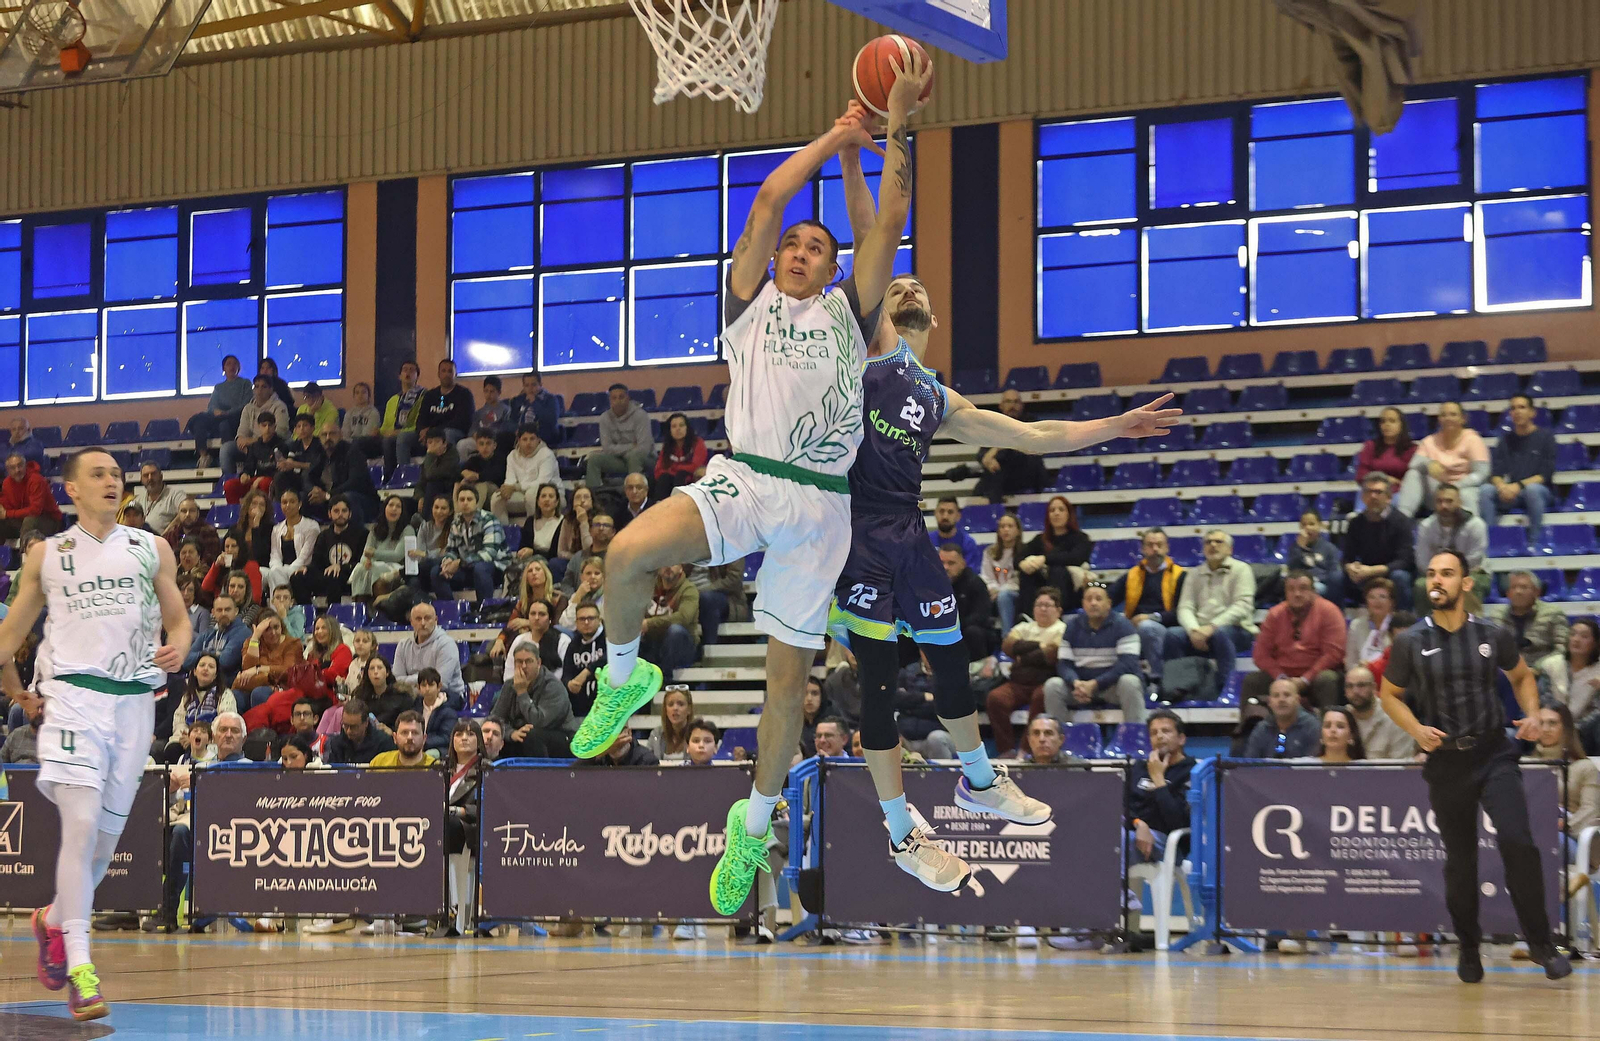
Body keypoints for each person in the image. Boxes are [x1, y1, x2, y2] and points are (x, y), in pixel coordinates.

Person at [569, 84, 926, 919]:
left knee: (785, 692)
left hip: (819, 508)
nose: (798, 251)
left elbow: (889, 219)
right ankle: (624, 677)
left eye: (816, 246)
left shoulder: (849, 313)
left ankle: (752, 825)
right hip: (746, 477)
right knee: (625, 554)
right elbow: (767, 198)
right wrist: (837, 136)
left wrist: (894, 125)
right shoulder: (747, 305)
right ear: (772, 261)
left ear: (835, 270)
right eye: (791, 245)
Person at [0, 446, 191, 1021]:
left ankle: (54, 919)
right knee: (80, 828)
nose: (111, 481)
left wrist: (180, 646)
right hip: (72, 700)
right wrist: (17, 691)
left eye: (116, 474)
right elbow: (8, 639)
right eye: (98, 474)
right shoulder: (47, 555)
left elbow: (178, 620)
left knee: (103, 849)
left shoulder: (151, 548)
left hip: (133, 704)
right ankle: (83, 970)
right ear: (72, 490)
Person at [1379, 549, 1571, 982]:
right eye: (1432, 573)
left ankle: (1541, 943)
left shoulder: (1491, 633)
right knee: (1461, 860)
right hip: (1446, 761)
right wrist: (1416, 729)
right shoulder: (1411, 641)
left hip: (1493, 752)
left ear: (1465, 583)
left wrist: (1533, 714)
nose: (1437, 580)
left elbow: (1522, 676)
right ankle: (1468, 946)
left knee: (1519, 843)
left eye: (1447, 573)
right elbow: (1389, 695)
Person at [1163, 531, 1255, 687]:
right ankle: (1178, 688)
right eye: (1208, 542)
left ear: (1230, 549)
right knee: (1173, 635)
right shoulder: (1194, 573)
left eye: (1219, 542)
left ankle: (1226, 687)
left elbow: (1243, 606)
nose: (1213, 545)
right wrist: (1193, 630)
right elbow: (1185, 607)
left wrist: (1212, 627)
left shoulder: (1242, 570)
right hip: (1200, 631)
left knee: (1221, 634)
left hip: (1236, 630)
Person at [1044, 581, 1146, 722]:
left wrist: (1095, 684)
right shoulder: (1072, 626)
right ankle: (1059, 733)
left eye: (1098, 599)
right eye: (1089, 599)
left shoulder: (1124, 626)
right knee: (1052, 685)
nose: (1093, 603)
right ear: (1083, 604)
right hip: (1080, 689)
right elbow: (1064, 664)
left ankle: (1135, 733)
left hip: (1112, 687)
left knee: (1130, 682)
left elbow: (1127, 665)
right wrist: (1076, 683)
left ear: (1108, 603)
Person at [983, 588, 1068, 756]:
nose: (1042, 609)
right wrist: (1040, 646)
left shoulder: (1063, 629)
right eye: (1039, 605)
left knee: (1041, 697)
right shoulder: (1023, 626)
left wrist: (1022, 654)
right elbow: (1008, 646)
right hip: (1018, 682)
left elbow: (1052, 654)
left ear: (1058, 610)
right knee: (995, 698)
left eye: (1047, 605)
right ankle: (1006, 751)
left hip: (1044, 680)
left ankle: (1026, 750)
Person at [1243, 570, 1346, 709]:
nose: (1297, 594)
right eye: (1291, 589)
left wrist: (1306, 679)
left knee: (1327, 679)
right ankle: (1250, 723)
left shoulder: (1329, 611)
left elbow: (1334, 653)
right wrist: (1281, 678)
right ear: (1285, 593)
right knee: (1252, 681)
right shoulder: (1275, 614)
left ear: (1313, 591)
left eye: (1303, 588)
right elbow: (1260, 655)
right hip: (1282, 675)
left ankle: (1330, 721)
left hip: (1317, 675)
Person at [1528, 701, 1599, 875]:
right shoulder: (1526, 764)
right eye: (1541, 723)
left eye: (1552, 723)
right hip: (1533, 828)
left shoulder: (1585, 768)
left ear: (1566, 728)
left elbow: (1591, 809)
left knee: (1545, 837)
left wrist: (1564, 824)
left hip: (1570, 836)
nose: (1545, 729)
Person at [1110, 528, 1185, 687]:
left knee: (1147, 627)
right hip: (1133, 626)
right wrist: (1094, 587)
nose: (1155, 549)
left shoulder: (1180, 575)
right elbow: (1108, 598)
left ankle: (1158, 679)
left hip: (1165, 626)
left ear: (1167, 548)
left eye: (1159, 545)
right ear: (1143, 549)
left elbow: (1181, 612)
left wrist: (1151, 617)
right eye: (1150, 545)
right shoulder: (1132, 575)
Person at [1125, 710, 1194, 867]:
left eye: (1166, 731)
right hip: (1135, 832)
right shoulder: (1139, 767)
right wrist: (1138, 823)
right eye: (1154, 733)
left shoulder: (1191, 772)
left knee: (1121, 841)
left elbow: (1178, 822)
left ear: (1181, 739)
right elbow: (1123, 805)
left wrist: (1158, 779)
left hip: (1171, 844)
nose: (1159, 736)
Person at [1481, 393, 1557, 537]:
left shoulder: (1546, 437)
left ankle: (1534, 542)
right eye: (1513, 408)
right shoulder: (1505, 440)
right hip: (1512, 492)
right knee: (1485, 491)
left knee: (1532, 490)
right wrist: (1502, 487)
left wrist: (1518, 486)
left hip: (1540, 491)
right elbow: (1495, 473)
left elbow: (1545, 474)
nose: (1517, 411)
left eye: (1522, 407)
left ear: (1532, 412)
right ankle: (1490, 540)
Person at [1398, 401, 1490, 517]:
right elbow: (1413, 464)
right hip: (1436, 489)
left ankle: (1469, 525)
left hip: (1463, 487)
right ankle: (1403, 517)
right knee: (1413, 473)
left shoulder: (1473, 440)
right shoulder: (1429, 441)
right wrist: (1428, 463)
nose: (1448, 418)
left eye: (1453, 414)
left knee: (1466, 495)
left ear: (1463, 419)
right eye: (1443, 415)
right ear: (1439, 419)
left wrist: (1455, 487)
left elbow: (1481, 473)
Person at [1342, 472, 1414, 610]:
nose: (1373, 496)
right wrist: (1350, 567)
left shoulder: (1401, 521)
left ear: (1389, 497)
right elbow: (1347, 556)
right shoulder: (1356, 523)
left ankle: (1403, 617)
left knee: (1400, 577)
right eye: (1369, 492)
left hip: (1391, 571)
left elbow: (1405, 560)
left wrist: (1373, 570)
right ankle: (1339, 616)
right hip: (1365, 572)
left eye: (1378, 492)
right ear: (1362, 497)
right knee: (1337, 577)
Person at [489, 643, 576, 757]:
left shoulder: (553, 686)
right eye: (519, 661)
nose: (524, 666)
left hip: (562, 737)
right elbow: (495, 720)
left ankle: (538, 769)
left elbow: (540, 722)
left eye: (529, 661)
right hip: (525, 735)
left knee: (531, 735)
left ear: (538, 663)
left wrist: (522, 693)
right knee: (492, 737)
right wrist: (511, 733)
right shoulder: (510, 685)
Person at [1412, 483, 1489, 611]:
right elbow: (1422, 561)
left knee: (1467, 584)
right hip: (1436, 575)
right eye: (1439, 501)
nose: (1444, 506)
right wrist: (1442, 575)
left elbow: (1475, 559)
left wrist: (1450, 576)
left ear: (1459, 502)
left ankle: (1469, 622)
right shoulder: (1426, 526)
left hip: (1472, 573)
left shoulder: (1476, 525)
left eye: (1449, 501)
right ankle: (1428, 623)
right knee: (1421, 586)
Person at [1486, 571, 1569, 681]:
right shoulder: (1497, 615)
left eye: (1524, 587)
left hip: (1543, 671)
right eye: (1514, 587)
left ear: (1537, 592)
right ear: (1508, 593)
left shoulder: (1553, 613)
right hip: (1507, 671)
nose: (1518, 591)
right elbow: (1491, 646)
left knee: (1557, 662)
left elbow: (1562, 648)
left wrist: (1538, 668)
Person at [432, 485, 510, 602]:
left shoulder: (489, 519)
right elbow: (451, 550)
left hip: (496, 568)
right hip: (468, 567)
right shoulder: (456, 522)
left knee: (480, 568)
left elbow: (489, 553)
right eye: (462, 499)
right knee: (437, 572)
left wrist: (459, 563)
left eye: (469, 499)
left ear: (476, 502)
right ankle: (451, 609)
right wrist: (448, 561)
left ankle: (485, 609)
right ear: (457, 503)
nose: (465, 503)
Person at [971, 389, 1050, 503]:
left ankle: (995, 508)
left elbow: (1024, 445)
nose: (1012, 406)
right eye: (1008, 401)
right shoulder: (993, 425)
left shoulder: (1030, 422)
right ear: (1001, 405)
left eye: (1016, 402)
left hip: (1026, 472)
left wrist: (995, 451)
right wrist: (987, 460)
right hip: (1002, 474)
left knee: (1004, 463)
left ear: (1022, 405)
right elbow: (981, 454)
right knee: (982, 487)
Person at [1018, 495, 1093, 612]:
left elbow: (1075, 558)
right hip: (1042, 588)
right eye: (1052, 510)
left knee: (1057, 570)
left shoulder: (1081, 538)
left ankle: (1055, 612)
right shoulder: (1040, 539)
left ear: (1069, 514)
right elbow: (1019, 556)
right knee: (1028, 571)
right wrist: (1022, 563)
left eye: (1061, 510)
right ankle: (1029, 615)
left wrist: (1044, 559)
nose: (1056, 513)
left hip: (1071, 589)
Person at [292, 496, 367, 604]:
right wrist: (306, 568)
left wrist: (341, 567)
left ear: (350, 514)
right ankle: (307, 611)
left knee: (334, 575)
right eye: (336, 511)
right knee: (297, 577)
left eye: (344, 511)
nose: (340, 514)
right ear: (329, 514)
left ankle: (333, 612)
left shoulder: (362, 534)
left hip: (350, 576)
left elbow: (363, 563)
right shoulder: (324, 536)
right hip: (327, 576)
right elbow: (317, 563)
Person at [163, 654, 235, 763]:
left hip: (212, 742)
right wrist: (190, 737)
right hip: (188, 738)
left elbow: (224, 723)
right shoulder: (187, 696)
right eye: (202, 665)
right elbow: (179, 721)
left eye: (211, 666)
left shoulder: (225, 694)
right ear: (195, 672)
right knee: (172, 749)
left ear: (216, 674)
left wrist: (201, 738)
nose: (206, 669)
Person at [392, 602, 466, 706]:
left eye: (427, 618)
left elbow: (441, 683)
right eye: (418, 619)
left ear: (435, 620)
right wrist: (424, 680)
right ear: (411, 622)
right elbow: (397, 681)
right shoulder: (403, 645)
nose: (423, 623)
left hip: (447, 695)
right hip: (412, 695)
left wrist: (410, 682)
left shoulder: (446, 644)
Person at [307, 420, 378, 525]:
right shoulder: (318, 453)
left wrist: (328, 495)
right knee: (303, 498)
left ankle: (355, 532)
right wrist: (314, 490)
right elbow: (307, 477)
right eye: (324, 434)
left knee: (346, 498)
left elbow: (355, 482)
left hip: (362, 501)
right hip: (330, 499)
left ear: (341, 435)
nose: (328, 438)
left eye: (332, 433)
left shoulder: (353, 451)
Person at [189, 354, 252, 469]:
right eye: (229, 364)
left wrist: (228, 413)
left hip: (236, 417)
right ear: (224, 368)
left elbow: (246, 404)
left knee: (224, 425)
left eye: (235, 364)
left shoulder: (245, 383)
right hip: (219, 417)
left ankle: (231, 457)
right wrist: (216, 411)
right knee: (199, 420)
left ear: (239, 367)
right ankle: (204, 456)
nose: (232, 366)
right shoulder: (218, 387)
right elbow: (211, 406)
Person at [221, 375, 290, 478]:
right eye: (256, 386)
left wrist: (254, 443)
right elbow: (242, 433)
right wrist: (243, 443)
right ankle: (230, 480)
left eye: (263, 387)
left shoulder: (280, 406)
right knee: (226, 449)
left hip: (273, 445)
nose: (259, 390)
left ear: (271, 389)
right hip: (251, 446)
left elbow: (280, 432)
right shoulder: (248, 408)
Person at [586, 383, 654, 488]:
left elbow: (644, 447)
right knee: (594, 459)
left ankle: (634, 493)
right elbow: (607, 448)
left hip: (646, 459)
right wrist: (631, 446)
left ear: (628, 398)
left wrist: (626, 452)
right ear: (610, 400)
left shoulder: (640, 415)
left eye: (621, 397)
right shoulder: (604, 418)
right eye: (614, 398)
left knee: (634, 456)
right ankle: (593, 494)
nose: (618, 401)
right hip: (619, 459)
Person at [1343, 665, 1416, 759]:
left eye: (1361, 685)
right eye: (1349, 686)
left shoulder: (1396, 717)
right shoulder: (1341, 718)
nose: (1355, 691)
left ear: (1374, 687)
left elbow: (1403, 763)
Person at [938, 544, 995, 662]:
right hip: (941, 630)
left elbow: (981, 615)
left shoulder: (975, 583)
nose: (945, 567)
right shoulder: (931, 584)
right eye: (941, 563)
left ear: (963, 564)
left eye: (951, 563)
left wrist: (953, 627)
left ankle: (977, 669)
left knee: (973, 632)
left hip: (968, 629)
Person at [640, 564, 699, 678]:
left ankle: (665, 678)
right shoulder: (648, 588)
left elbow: (683, 618)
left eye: (673, 562)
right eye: (664, 562)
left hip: (682, 646)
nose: (668, 567)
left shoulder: (689, 589)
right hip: (653, 643)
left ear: (681, 567)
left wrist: (649, 624)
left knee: (675, 630)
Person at [350, 496, 414, 600]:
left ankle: (381, 606)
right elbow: (365, 554)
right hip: (375, 565)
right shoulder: (375, 529)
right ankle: (360, 606)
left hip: (397, 569)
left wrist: (374, 554)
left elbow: (397, 556)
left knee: (374, 571)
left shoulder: (408, 530)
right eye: (391, 505)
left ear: (402, 511)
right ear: (384, 508)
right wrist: (366, 561)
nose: (394, 509)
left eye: (398, 506)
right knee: (361, 569)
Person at [234, 613, 302, 710]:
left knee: (259, 693)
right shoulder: (251, 642)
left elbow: (288, 671)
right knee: (235, 695)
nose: (273, 632)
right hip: (256, 685)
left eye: (276, 627)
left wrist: (259, 669)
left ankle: (260, 720)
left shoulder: (293, 643)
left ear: (282, 627)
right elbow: (247, 669)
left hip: (282, 687)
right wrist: (255, 637)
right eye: (267, 629)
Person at [1241, 678, 1321, 758]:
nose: (1281, 700)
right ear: (1269, 702)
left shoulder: (1312, 727)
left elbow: (1313, 763)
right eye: (1276, 696)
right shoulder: (1261, 728)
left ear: (1297, 700)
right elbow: (1250, 762)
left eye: (1287, 695)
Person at [262, 487, 319, 594]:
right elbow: (275, 555)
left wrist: (282, 572)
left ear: (299, 504)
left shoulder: (311, 526)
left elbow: (304, 557)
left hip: (301, 569)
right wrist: (276, 569)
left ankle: (279, 603)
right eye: (284, 502)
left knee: (276, 575)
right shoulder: (277, 529)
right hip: (280, 570)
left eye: (292, 502)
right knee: (259, 572)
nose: (288, 505)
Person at [498, 425, 559, 525]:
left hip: (549, 493)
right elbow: (510, 480)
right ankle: (502, 530)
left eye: (532, 439)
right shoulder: (512, 456)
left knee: (531, 495)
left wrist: (516, 487)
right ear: (519, 441)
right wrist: (506, 488)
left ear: (538, 440)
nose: (528, 443)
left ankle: (534, 528)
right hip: (521, 492)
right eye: (525, 439)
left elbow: (542, 483)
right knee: (497, 497)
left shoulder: (547, 454)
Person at [415, 359, 476, 457]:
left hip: (454, 432)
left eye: (450, 371)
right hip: (430, 432)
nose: (447, 374)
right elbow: (421, 417)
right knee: (404, 438)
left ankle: (445, 465)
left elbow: (463, 421)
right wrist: (422, 430)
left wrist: (434, 431)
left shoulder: (464, 394)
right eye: (443, 371)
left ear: (455, 374)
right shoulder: (430, 395)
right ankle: (403, 467)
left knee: (446, 434)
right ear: (438, 374)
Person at [0, 452, 63, 541]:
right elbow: (6, 507)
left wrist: (7, 513)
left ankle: (25, 550)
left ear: (25, 465)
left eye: (20, 465)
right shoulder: (6, 483)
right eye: (13, 468)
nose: (17, 470)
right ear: (8, 470)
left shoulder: (36, 480)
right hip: (23, 519)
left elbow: (35, 510)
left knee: (29, 521)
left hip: (50, 519)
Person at [1547, 618, 1600, 721]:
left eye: (1584, 636)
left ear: (1595, 643)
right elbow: (1544, 701)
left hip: (1588, 727)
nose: (1576, 639)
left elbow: (1596, 712)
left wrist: (1576, 728)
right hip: (1553, 724)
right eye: (1572, 634)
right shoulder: (1551, 664)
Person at [380, 360, 425, 478]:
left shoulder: (423, 396)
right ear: (399, 376)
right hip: (391, 435)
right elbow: (384, 427)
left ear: (417, 376)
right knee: (360, 442)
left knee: (393, 440)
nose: (408, 373)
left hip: (412, 435)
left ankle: (402, 476)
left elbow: (420, 424)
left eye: (412, 370)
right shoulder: (392, 401)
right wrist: (380, 432)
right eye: (405, 370)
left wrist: (399, 432)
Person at [1284, 510, 1342, 602]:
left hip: (1321, 583)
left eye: (1311, 524)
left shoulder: (1329, 548)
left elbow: (1334, 571)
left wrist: (1318, 580)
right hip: (1300, 584)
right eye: (1304, 525)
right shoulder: (1295, 547)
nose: (1307, 527)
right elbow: (1292, 569)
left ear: (1319, 525)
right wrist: (1300, 548)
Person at [560, 602, 606, 717]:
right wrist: (569, 684)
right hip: (580, 710)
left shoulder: (609, 638)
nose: (586, 622)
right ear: (576, 623)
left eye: (590, 618)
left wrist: (587, 671)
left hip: (606, 707)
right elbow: (566, 674)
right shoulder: (574, 644)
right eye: (582, 619)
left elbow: (609, 659)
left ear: (599, 620)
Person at [981, 512, 1024, 634]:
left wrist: (999, 591)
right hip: (993, 592)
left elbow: (1018, 580)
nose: (1006, 529)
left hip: (1014, 593)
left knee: (1004, 596)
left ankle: (1006, 637)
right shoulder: (989, 552)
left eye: (1010, 526)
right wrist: (993, 588)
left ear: (1018, 530)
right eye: (1002, 526)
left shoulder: (1025, 550)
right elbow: (986, 576)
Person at [1354, 405, 1415, 491]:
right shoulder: (1370, 446)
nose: (1387, 424)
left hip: (1401, 492)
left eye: (1392, 421)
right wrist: (1384, 479)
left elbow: (1414, 479)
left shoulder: (1411, 449)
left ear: (1401, 425)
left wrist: (1398, 484)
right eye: (1383, 421)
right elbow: (1361, 476)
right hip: (1374, 489)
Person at [322, 698, 398, 765]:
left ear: (366, 723)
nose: (348, 731)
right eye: (345, 725)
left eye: (354, 727)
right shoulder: (336, 743)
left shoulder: (384, 743)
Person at [559, 513, 615, 595]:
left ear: (613, 532)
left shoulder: (619, 559)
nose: (601, 528)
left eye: (606, 525)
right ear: (590, 530)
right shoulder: (578, 557)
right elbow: (566, 584)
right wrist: (575, 597)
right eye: (597, 525)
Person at [655, 412, 708, 497]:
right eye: (674, 426)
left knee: (681, 475)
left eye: (681, 425)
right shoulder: (667, 446)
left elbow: (696, 466)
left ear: (687, 427)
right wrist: (672, 471)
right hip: (671, 479)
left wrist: (673, 468)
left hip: (692, 478)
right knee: (664, 478)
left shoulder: (698, 443)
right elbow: (658, 470)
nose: (678, 429)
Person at [458, 428, 508, 514]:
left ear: (494, 445)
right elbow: (458, 473)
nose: (485, 447)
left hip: (496, 492)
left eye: (488, 443)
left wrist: (477, 476)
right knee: (461, 483)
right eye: (481, 444)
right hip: (478, 491)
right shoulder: (474, 459)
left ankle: (474, 514)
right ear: (477, 446)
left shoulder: (501, 459)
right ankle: (458, 514)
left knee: (482, 485)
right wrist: (463, 472)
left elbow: (495, 475)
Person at [160, 497, 221, 567]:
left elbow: (210, 560)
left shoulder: (209, 532)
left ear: (198, 513)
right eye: (184, 511)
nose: (187, 514)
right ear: (178, 514)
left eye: (192, 511)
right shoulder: (171, 534)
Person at [927, 497, 983, 572]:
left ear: (958, 516)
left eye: (950, 512)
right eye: (941, 511)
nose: (945, 516)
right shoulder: (925, 541)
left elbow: (970, 573)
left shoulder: (968, 543)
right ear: (935, 514)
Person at [369, 710, 440, 768]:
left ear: (424, 739)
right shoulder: (379, 763)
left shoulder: (435, 767)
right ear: (395, 738)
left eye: (415, 733)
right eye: (404, 732)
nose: (410, 737)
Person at [418, 427, 464, 506]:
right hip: (432, 492)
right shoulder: (430, 458)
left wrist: (429, 455)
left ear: (444, 443)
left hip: (448, 489)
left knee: (432, 485)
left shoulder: (452, 455)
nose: (433, 445)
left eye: (437, 441)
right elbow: (421, 480)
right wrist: (420, 497)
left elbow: (431, 474)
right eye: (430, 442)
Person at [648, 685, 695, 760]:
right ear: (665, 710)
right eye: (670, 704)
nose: (675, 708)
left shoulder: (697, 734)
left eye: (680, 704)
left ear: (689, 709)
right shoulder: (656, 734)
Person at [341, 380, 385, 460]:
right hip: (351, 443)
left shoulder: (373, 413)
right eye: (357, 393)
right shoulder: (349, 413)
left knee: (360, 443)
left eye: (363, 392)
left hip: (366, 444)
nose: (360, 395)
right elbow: (345, 433)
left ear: (369, 395)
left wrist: (354, 442)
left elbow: (368, 434)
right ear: (354, 396)